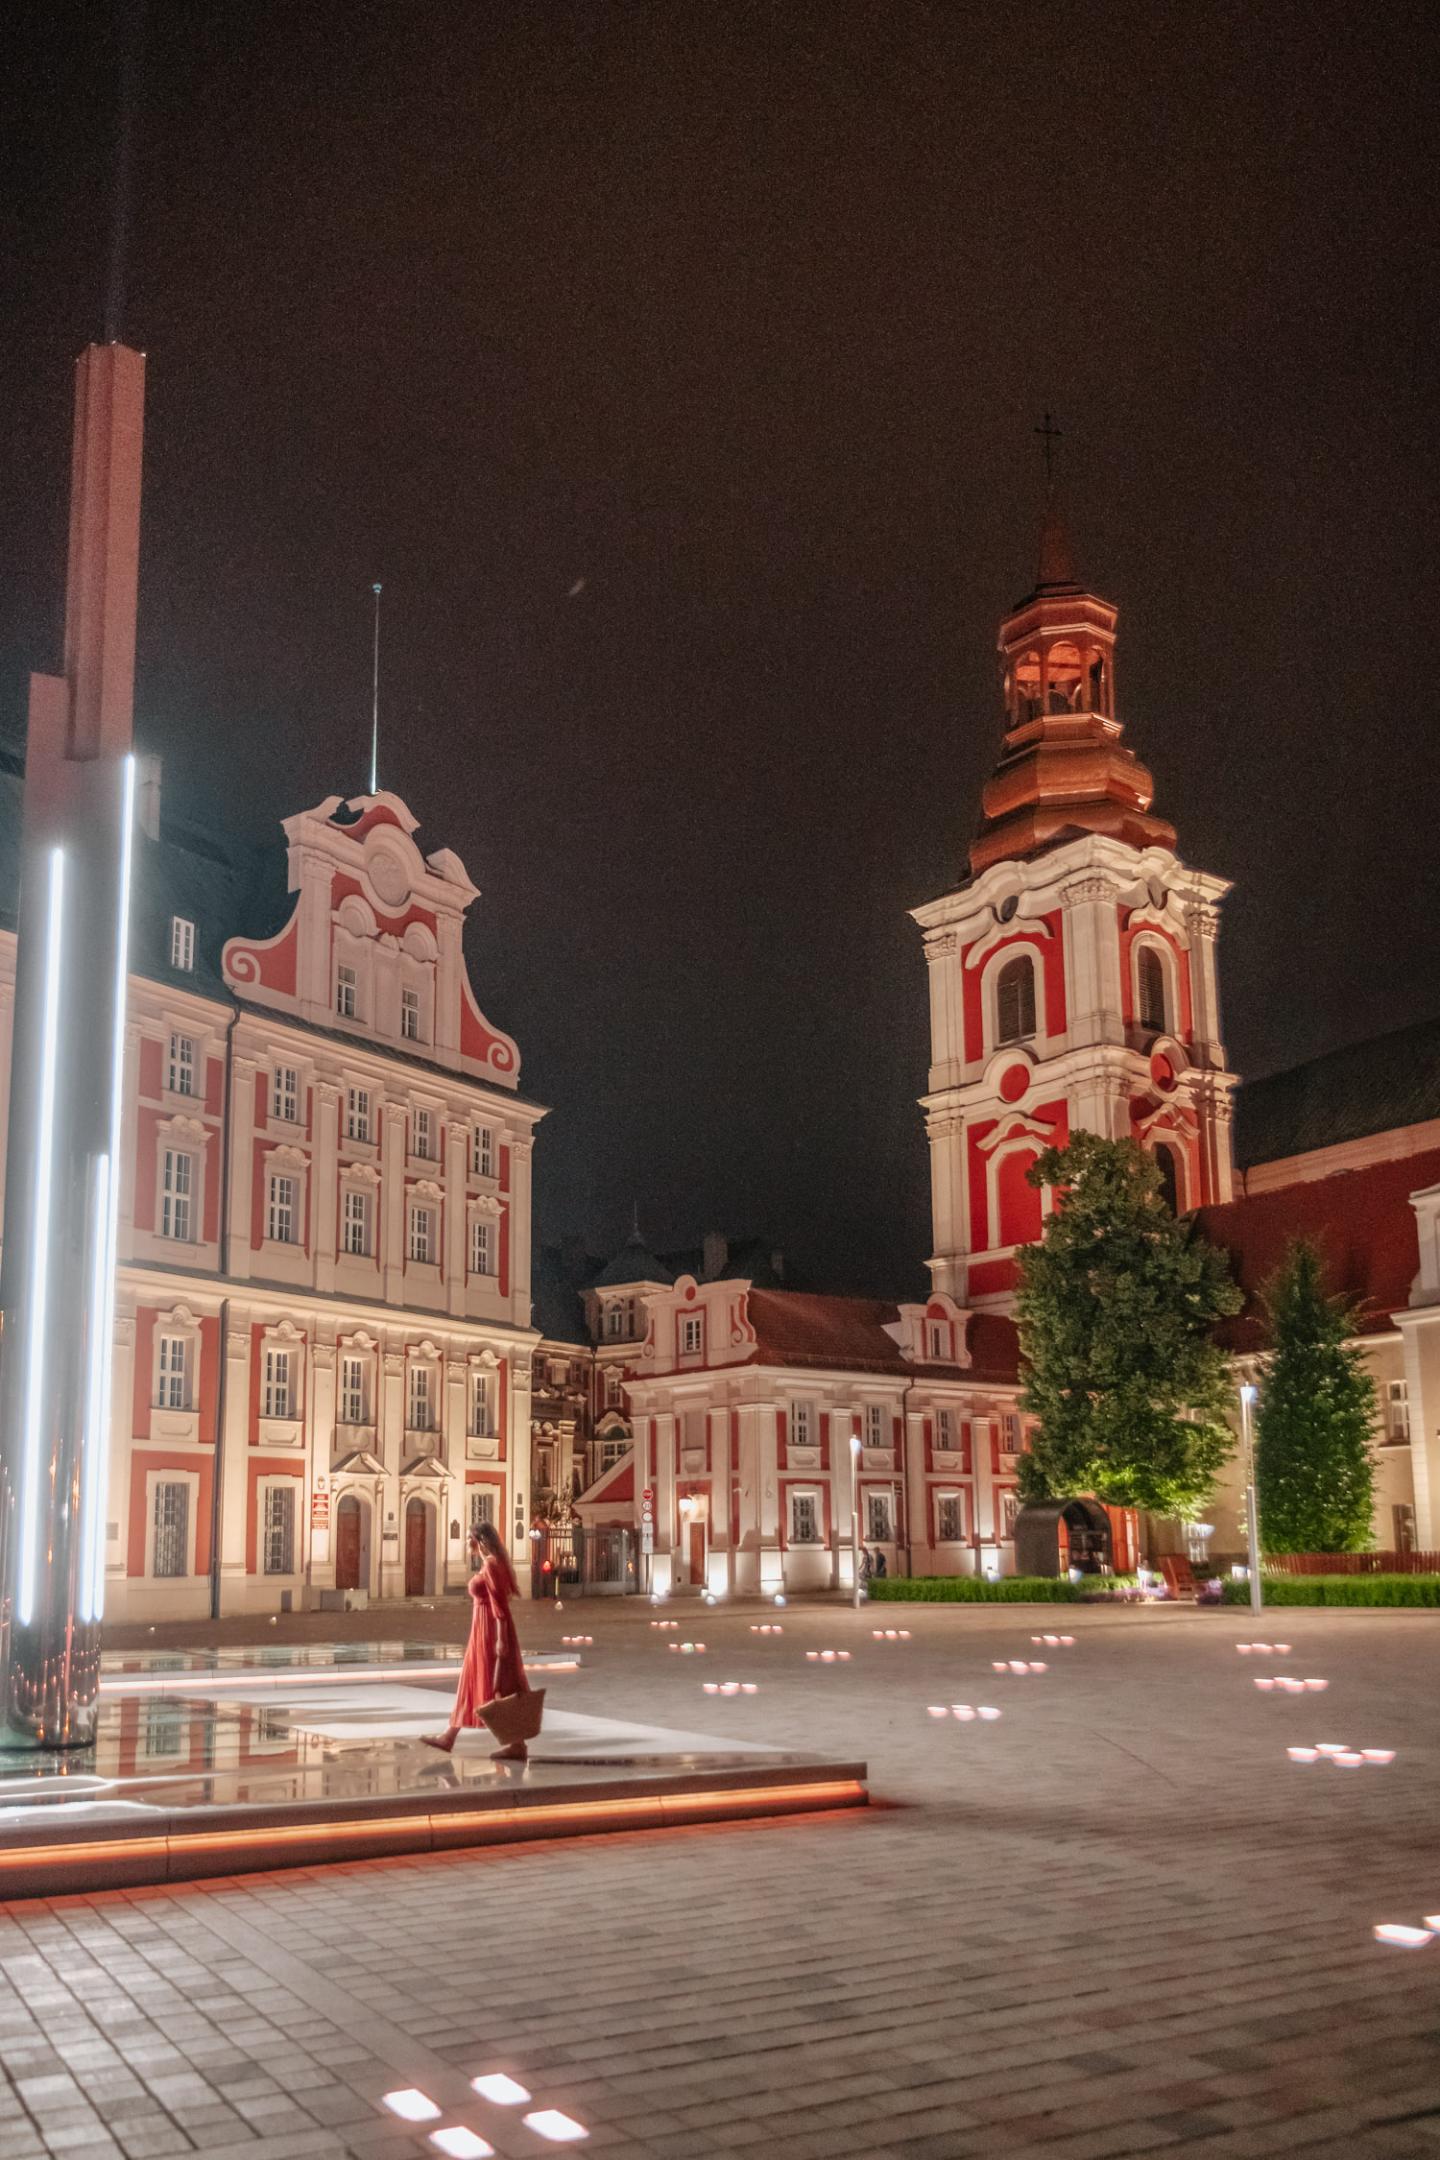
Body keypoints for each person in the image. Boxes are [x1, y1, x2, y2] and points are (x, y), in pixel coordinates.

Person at [421, 1522, 532, 1760]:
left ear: (478, 1540)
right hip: (482, 1629)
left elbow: (499, 1604)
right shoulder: (493, 1563)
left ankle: (516, 1745)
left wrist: (501, 1639)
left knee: (496, 1686)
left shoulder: (491, 1565)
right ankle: (449, 1736)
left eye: (468, 1538)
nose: (465, 1543)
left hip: (490, 1631)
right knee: (474, 1679)